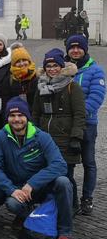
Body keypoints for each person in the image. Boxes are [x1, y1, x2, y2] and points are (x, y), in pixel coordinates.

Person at [0, 98, 75, 239]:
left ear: (27, 117)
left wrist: (32, 184)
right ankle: (30, 217)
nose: (16, 119)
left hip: (40, 188)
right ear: (7, 118)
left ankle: (65, 234)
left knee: (64, 182)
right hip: (17, 188)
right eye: (12, 115)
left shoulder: (42, 137)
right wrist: (12, 190)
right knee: (12, 203)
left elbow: (60, 165)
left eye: (21, 115)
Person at [32, 49, 85, 209]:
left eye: (55, 65)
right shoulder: (41, 85)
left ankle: (72, 205)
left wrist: (76, 137)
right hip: (45, 137)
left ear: (61, 67)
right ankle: (51, 205)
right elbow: (35, 112)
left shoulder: (72, 87)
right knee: (47, 172)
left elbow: (80, 114)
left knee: (66, 174)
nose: (52, 69)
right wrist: (33, 131)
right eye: (49, 66)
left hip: (65, 138)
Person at [65, 35, 105, 215]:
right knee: (68, 163)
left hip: (87, 124)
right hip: (66, 125)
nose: (75, 50)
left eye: (78, 47)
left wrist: (76, 115)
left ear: (85, 49)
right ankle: (70, 198)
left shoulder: (95, 70)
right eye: (71, 47)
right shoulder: (63, 68)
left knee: (88, 162)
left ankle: (87, 198)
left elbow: (96, 98)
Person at [0, 46, 38, 125]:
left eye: (24, 60)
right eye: (18, 61)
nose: (22, 63)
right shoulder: (8, 80)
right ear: (13, 64)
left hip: (34, 120)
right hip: (15, 120)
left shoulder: (37, 78)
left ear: (29, 61)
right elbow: (5, 106)